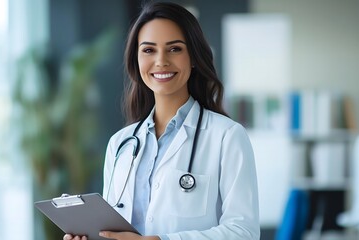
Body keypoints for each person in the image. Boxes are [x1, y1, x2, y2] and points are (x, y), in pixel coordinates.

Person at [64, 1, 259, 240]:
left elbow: (244, 232)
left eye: (175, 49)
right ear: (136, 59)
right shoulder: (120, 144)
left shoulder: (227, 136)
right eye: (148, 50)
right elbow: (111, 231)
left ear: (194, 57)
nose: (161, 61)